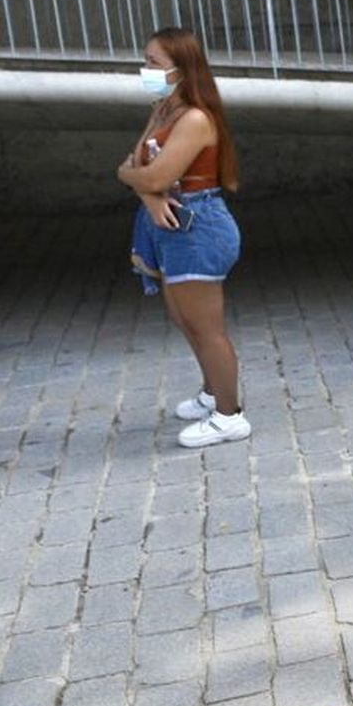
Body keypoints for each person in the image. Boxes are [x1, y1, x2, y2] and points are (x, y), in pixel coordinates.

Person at [120, 27, 250, 448]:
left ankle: (230, 416)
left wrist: (142, 183)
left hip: (198, 225)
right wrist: (148, 194)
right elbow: (131, 165)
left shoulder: (195, 118)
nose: (146, 70)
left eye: (155, 63)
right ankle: (213, 392)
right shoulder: (162, 111)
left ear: (182, 69)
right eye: (146, 60)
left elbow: (152, 173)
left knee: (206, 325)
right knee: (183, 318)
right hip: (171, 223)